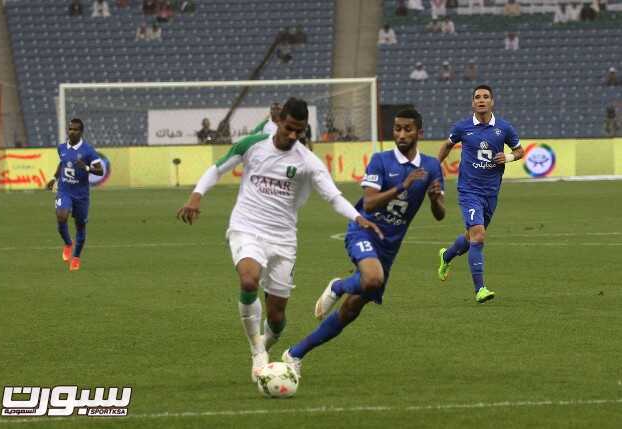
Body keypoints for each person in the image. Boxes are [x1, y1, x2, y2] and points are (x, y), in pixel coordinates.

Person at [176, 98, 382, 383]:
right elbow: (218, 168)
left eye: (300, 130)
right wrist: (196, 196)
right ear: (279, 121)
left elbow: (333, 196)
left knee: (276, 317)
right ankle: (258, 351)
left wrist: (357, 217)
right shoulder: (253, 145)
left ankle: (267, 342)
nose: (294, 135)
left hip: (283, 239)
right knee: (248, 280)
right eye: (289, 128)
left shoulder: (308, 162)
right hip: (247, 227)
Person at [281, 108, 445, 375]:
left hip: (389, 247)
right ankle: (338, 285)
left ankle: (294, 353)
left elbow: (440, 215)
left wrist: (435, 198)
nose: (401, 134)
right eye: (397, 129)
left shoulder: (431, 167)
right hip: (364, 231)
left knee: (349, 311)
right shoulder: (381, 160)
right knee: (371, 278)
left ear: (420, 133)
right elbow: (369, 202)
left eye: (407, 129)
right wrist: (402, 186)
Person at [436, 85, 524, 303]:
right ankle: (480, 289)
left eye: (486, 97)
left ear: (492, 101)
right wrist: (434, 167)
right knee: (479, 236)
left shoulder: (504, 128)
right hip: (468, 191)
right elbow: (447, 145)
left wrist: (509, 158)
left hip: (491, 193)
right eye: (477, 97)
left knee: (471, 237)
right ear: (473, 103)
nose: (481, 100)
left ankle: (446, 255)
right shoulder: (462, 127)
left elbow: (520, 151)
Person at [46, 119, 104, 272]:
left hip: (81, 195)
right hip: (65, 191)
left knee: (80, 226)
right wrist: (55, 178)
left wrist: (86, 167)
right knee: (61, 216)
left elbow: (100, 171)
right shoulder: (61, 147)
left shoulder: (88, 150)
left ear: (81, 132)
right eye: (70, 129)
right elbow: (62, 163)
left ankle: (76, 257)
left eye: (75, 130)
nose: (72, 132)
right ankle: (68, 243)